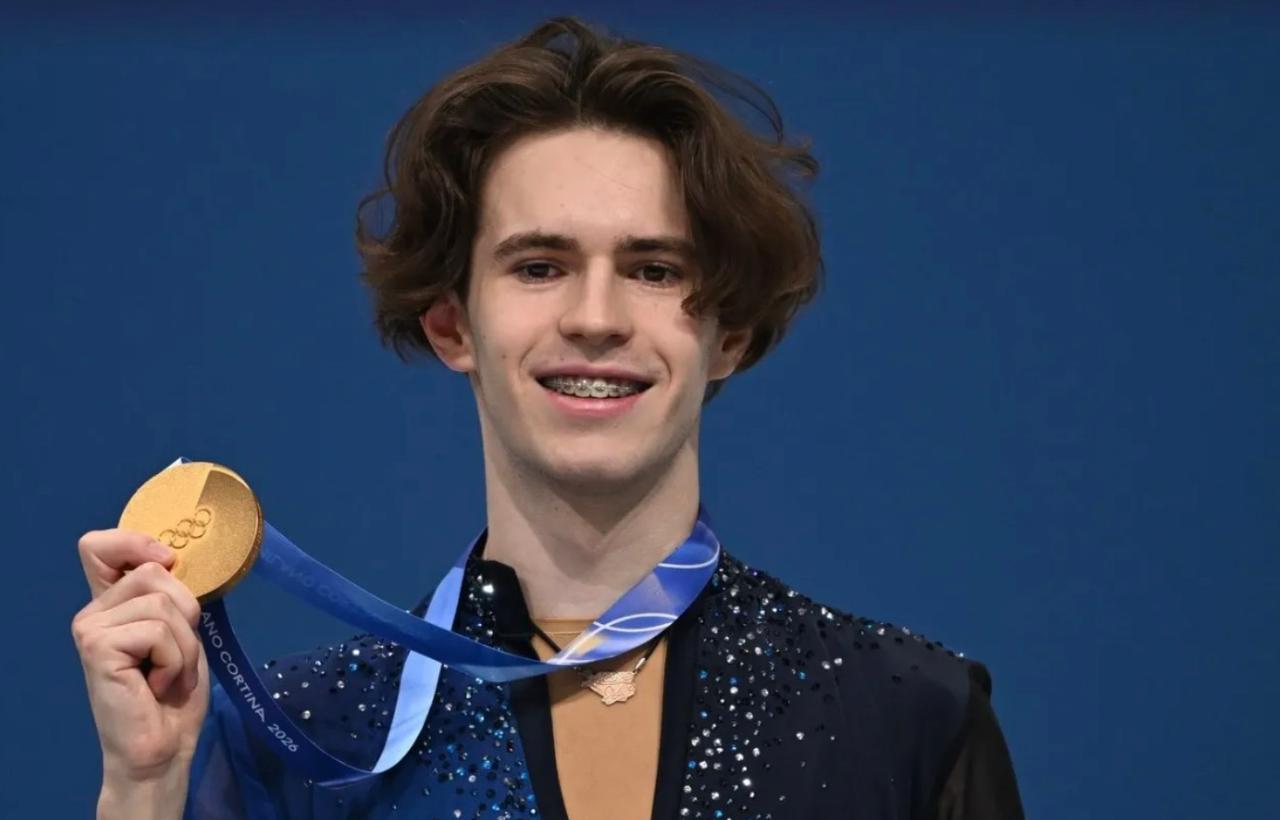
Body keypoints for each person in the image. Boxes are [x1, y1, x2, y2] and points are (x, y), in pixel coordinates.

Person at [72, 17, 1024, 820]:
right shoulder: (302, 738)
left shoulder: (908, 719)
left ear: (728, 333)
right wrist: (145, 789)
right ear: (454, 324)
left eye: (654, 269)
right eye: (539, 266)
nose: (596, 318)